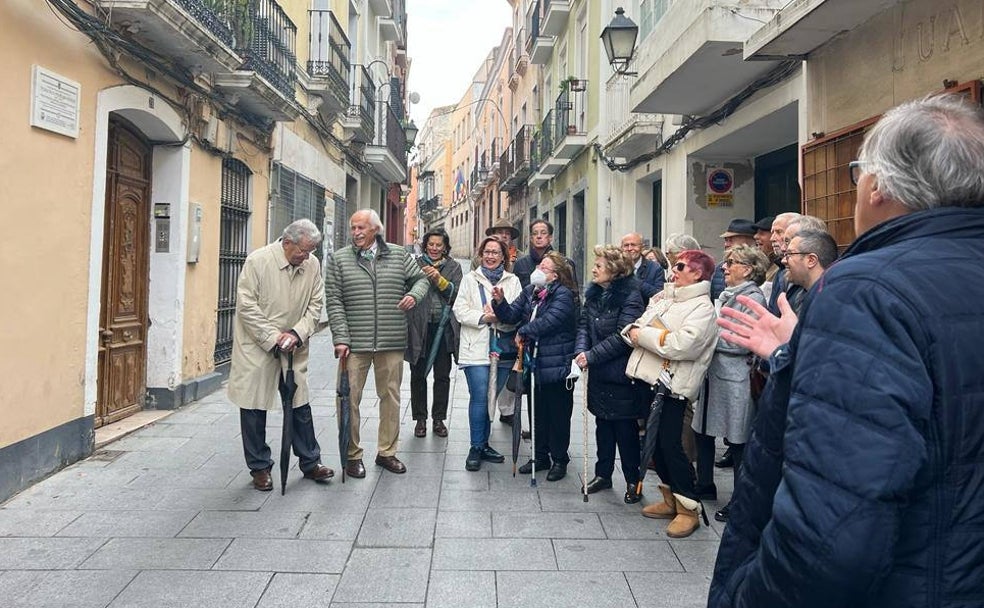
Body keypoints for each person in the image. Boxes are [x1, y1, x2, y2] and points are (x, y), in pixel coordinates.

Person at [709, 94, 984, 608]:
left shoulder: (867, 288)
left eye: (859, 173)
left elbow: (832, 532)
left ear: (878, 187)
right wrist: (800, 356)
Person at [228, 219, 334, 491]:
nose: (307, 257)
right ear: (287, 242)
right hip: (258, 345)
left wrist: (297, 334)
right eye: (303, 251)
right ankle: (259, 467)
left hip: (294, 344)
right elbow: (246, 306)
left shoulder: (312, 265)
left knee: (299, 403)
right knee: (253, 406)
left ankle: (311, 461)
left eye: (311, 251)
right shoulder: (258, 261)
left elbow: (315, 305)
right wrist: (274, 338)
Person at [325, 209, 429, 477]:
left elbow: (421, 279)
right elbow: (334, 301)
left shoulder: (397, 254)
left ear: (375, 230)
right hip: (354, 344)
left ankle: (387, 452)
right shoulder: (339, 260)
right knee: (348, 400)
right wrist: (340, 338)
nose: (356, 233)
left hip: (391, 340)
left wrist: (414, 296)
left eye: (361, 228)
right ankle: (351, 455)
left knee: (391, 398)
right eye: (353, 228)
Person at [622, 249, 718, 538]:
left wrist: (643, 336)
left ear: (698, 273)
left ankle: (689, 507)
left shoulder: (702, 308)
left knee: (670, 446)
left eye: (680, 266)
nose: (672, 271)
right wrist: (637, 333)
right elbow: (633, 327)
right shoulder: (666, 298)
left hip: (671, 387)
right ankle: (671, 498)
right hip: (646, 379)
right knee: (654, 447)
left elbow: (681, 346)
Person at [692, 244, 769, 522]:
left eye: (732, 262)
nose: (725, 267)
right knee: (702, 432)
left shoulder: (753, 299)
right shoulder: (727, 294)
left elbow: (741, 340)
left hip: (736, 378)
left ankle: (741, 501)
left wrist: (706, 336)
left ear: (747, 269)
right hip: (716, 376)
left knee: (738, 442)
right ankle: (704, 484)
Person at [492, 251, 579, 481]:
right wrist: (500, 303)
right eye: (539, 265)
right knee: (536, 411)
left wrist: (524, 330)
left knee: (558, 414)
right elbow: (512, 314)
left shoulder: (564, 295)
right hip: (534, 363)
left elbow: (550, 321)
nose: (538, 270)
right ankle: (540, 456)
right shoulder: (531, 292)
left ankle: (559, 459)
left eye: (545, 268)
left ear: (556, 275)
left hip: (557, 363)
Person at [575, 245, 646, 503]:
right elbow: (583, 324)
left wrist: (591, 356)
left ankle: (632, 480)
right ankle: (603, 474)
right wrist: (581, 352)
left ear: (614, 271)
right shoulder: (594, 294)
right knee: (602, 425)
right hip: (598, 373)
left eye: (599, 266)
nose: (593, 269)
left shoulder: (631, 296)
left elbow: (623, 336)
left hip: (621, 375)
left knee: (625, 429)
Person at [452, 236, 522, 471]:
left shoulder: (513, 281)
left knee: (492, 397)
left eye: (495, 252)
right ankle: (475, 446)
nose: (491, 256)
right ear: (481, 255)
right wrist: (483, 317)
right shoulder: (470, 280)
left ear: (504, 256)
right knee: (481, 395)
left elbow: (517, 312)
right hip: (476, 347)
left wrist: (499, 315)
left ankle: (483, 444)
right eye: (487, 252)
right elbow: (459, 310)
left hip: (504, 348)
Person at [405, 229, 462, 439]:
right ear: (425, 245)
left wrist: (440, 280)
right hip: (419, 328)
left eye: (439, 245)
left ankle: (439, 420)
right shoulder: (415, 264)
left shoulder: (453, 267)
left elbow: (457, 295)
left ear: (445, 247)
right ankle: (420, 419)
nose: (435, 248)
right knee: (418, 374)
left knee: (442, 376)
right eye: (431, 244)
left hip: (443, 329)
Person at [711, 219, 757, 300]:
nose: (726, 244)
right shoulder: (719, 269)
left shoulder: (759, 266)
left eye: (731, 240)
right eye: (726, 240)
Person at [621, 232, 664, 300]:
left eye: (633, 245)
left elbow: (659, 295)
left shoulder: (655, 269)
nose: (629, 248)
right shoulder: (616, 267)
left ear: (642, 247)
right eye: (626, 245)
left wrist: (635, 281)